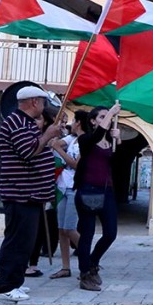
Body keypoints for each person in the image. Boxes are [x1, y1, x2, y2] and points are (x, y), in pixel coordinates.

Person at [0, 86, 61, 301]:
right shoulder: (17, 122)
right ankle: (4, 286)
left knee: (26, 242)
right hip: (21, 193)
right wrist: (47, 135)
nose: (45, 106)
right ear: (34, 102)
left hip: (31, 192)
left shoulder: (26, 123)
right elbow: (28, 152)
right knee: (17, 241)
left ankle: (15, 281)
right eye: (43, 102)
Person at [73, 103, 122, 291]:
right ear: (93, 121)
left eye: (106, 116)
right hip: (88, 190)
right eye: (101, 117)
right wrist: (111, 112)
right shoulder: (86, 139)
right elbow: (96, 136)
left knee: (110, 233)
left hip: (107, 191)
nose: (106, 120)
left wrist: (119, 141)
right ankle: (85, 273)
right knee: (87, 234)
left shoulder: (111, 140)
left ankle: (92, 262)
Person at [49, 112, 84, 279]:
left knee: (70, 228)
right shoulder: (72, 139)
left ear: (79, 122)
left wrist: (59, 150)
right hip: (63, 186)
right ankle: (65, 266)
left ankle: (89, 258)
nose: (72, 123)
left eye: (74, 121)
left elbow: (77, 165)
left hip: (75, 187)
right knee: (61, 229)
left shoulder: (86, 141)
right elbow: (57, 143)